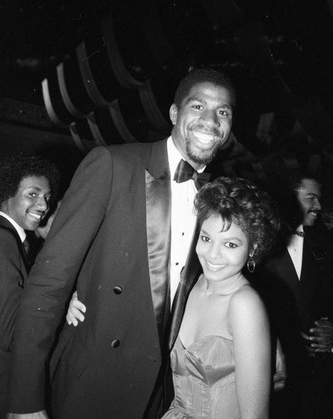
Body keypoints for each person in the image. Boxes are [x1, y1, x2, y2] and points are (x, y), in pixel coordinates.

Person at [7, 68, 235, 419]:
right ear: (175, 114)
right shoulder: (113, 164)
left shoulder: (216, 197)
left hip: (162, 395)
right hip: (92, 387)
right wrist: (25, 401)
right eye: (198, 106)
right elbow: (47, 285)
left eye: (223, 112)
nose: (210, 120)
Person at [161, 177, 280, 419]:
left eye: (230, 244)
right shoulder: (189, 282)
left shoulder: (244, 304)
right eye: (206, 239)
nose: (213, 255)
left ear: (253, 248)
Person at [255, 173, 333, 419]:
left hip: (318, 381)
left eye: (319, 199)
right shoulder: (257, 244)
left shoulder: (327, 244)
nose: (319, 207)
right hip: (272, 376)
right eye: (311, 198)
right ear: (289, 198)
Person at [0, 153, 60, 418]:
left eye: (47, 198)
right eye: (32, 194)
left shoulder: (14, 241)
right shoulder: (3, 241)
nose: (43, 205)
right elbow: (12, 330)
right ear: (7, 193)